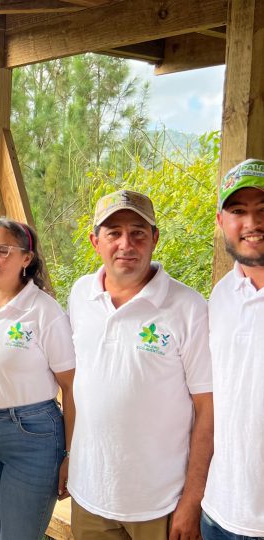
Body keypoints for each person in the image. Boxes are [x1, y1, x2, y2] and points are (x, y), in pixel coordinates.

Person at [67, 189, 213, 540]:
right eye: (113, 233)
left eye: (138, 232)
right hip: (89, 494)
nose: (126, 244)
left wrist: (193, 500)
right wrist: (69, 455)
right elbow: (79, 386)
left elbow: (208, 408)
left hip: (160, 503)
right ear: (94, 241)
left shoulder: (188, 308)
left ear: (155, 239)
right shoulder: (80, 295)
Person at [0, 218, 75, 540]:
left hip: (33, 435)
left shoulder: (44, 312)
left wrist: (70, 455)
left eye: (4, 251)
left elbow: (70, 387)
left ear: (27, 258)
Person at [201, 159, 264, 540]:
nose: (252, 223)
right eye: (238, 211)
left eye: (262, 211)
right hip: (220, 510)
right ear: (220, 222)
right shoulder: (220, 296)